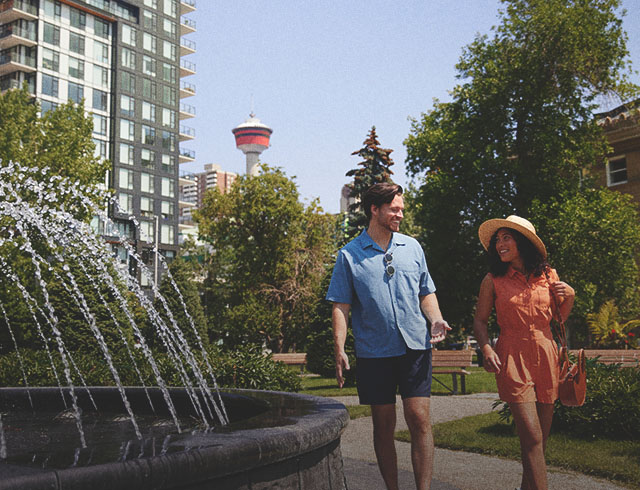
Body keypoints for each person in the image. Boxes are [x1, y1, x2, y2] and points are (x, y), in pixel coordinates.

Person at [326, 182, 450, 490]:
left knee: (419, 418)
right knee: (383, 426)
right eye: (394, 209)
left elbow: (427, 291)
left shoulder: (412, 247)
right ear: (375, 209)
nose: (400, 215)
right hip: (374, 353)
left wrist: (435, 319)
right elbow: (340, 305)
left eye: (401, 209)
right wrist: (339, 347)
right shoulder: (349, 255)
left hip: (415, 347)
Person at [473, 216, 575, 490]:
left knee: (540, 439)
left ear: (524, 242)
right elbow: (480, 321)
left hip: (546, 353)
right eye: (497, 239)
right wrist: (485, 347)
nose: (499, 244)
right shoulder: (493, 280)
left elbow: (559, 320)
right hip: (512, 356)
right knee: (531, 438)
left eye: (506, 238)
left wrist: (571, 296)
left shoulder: (549, 276)